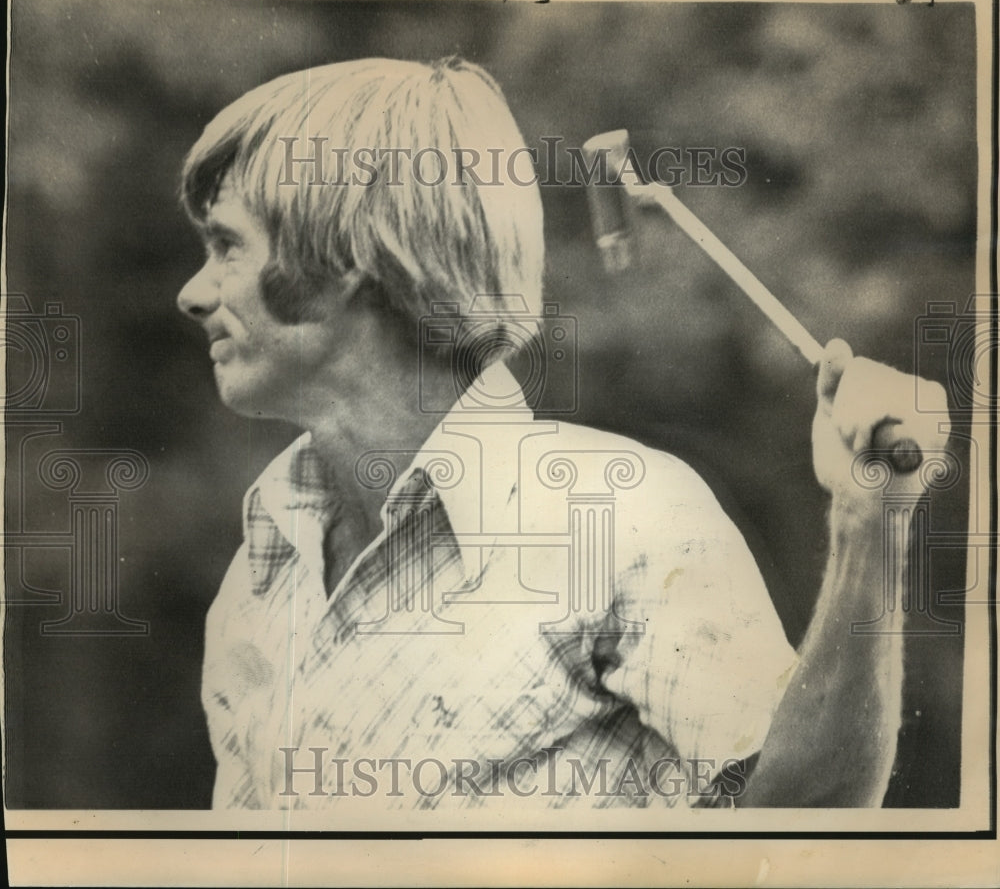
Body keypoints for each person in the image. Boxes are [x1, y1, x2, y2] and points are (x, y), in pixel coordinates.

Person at [176, 56, 950, 810]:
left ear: (343, 252)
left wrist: (865, 522)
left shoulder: (624, 516)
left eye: (227, 245)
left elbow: (806, 823)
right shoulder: (260, 570)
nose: (192, 293)